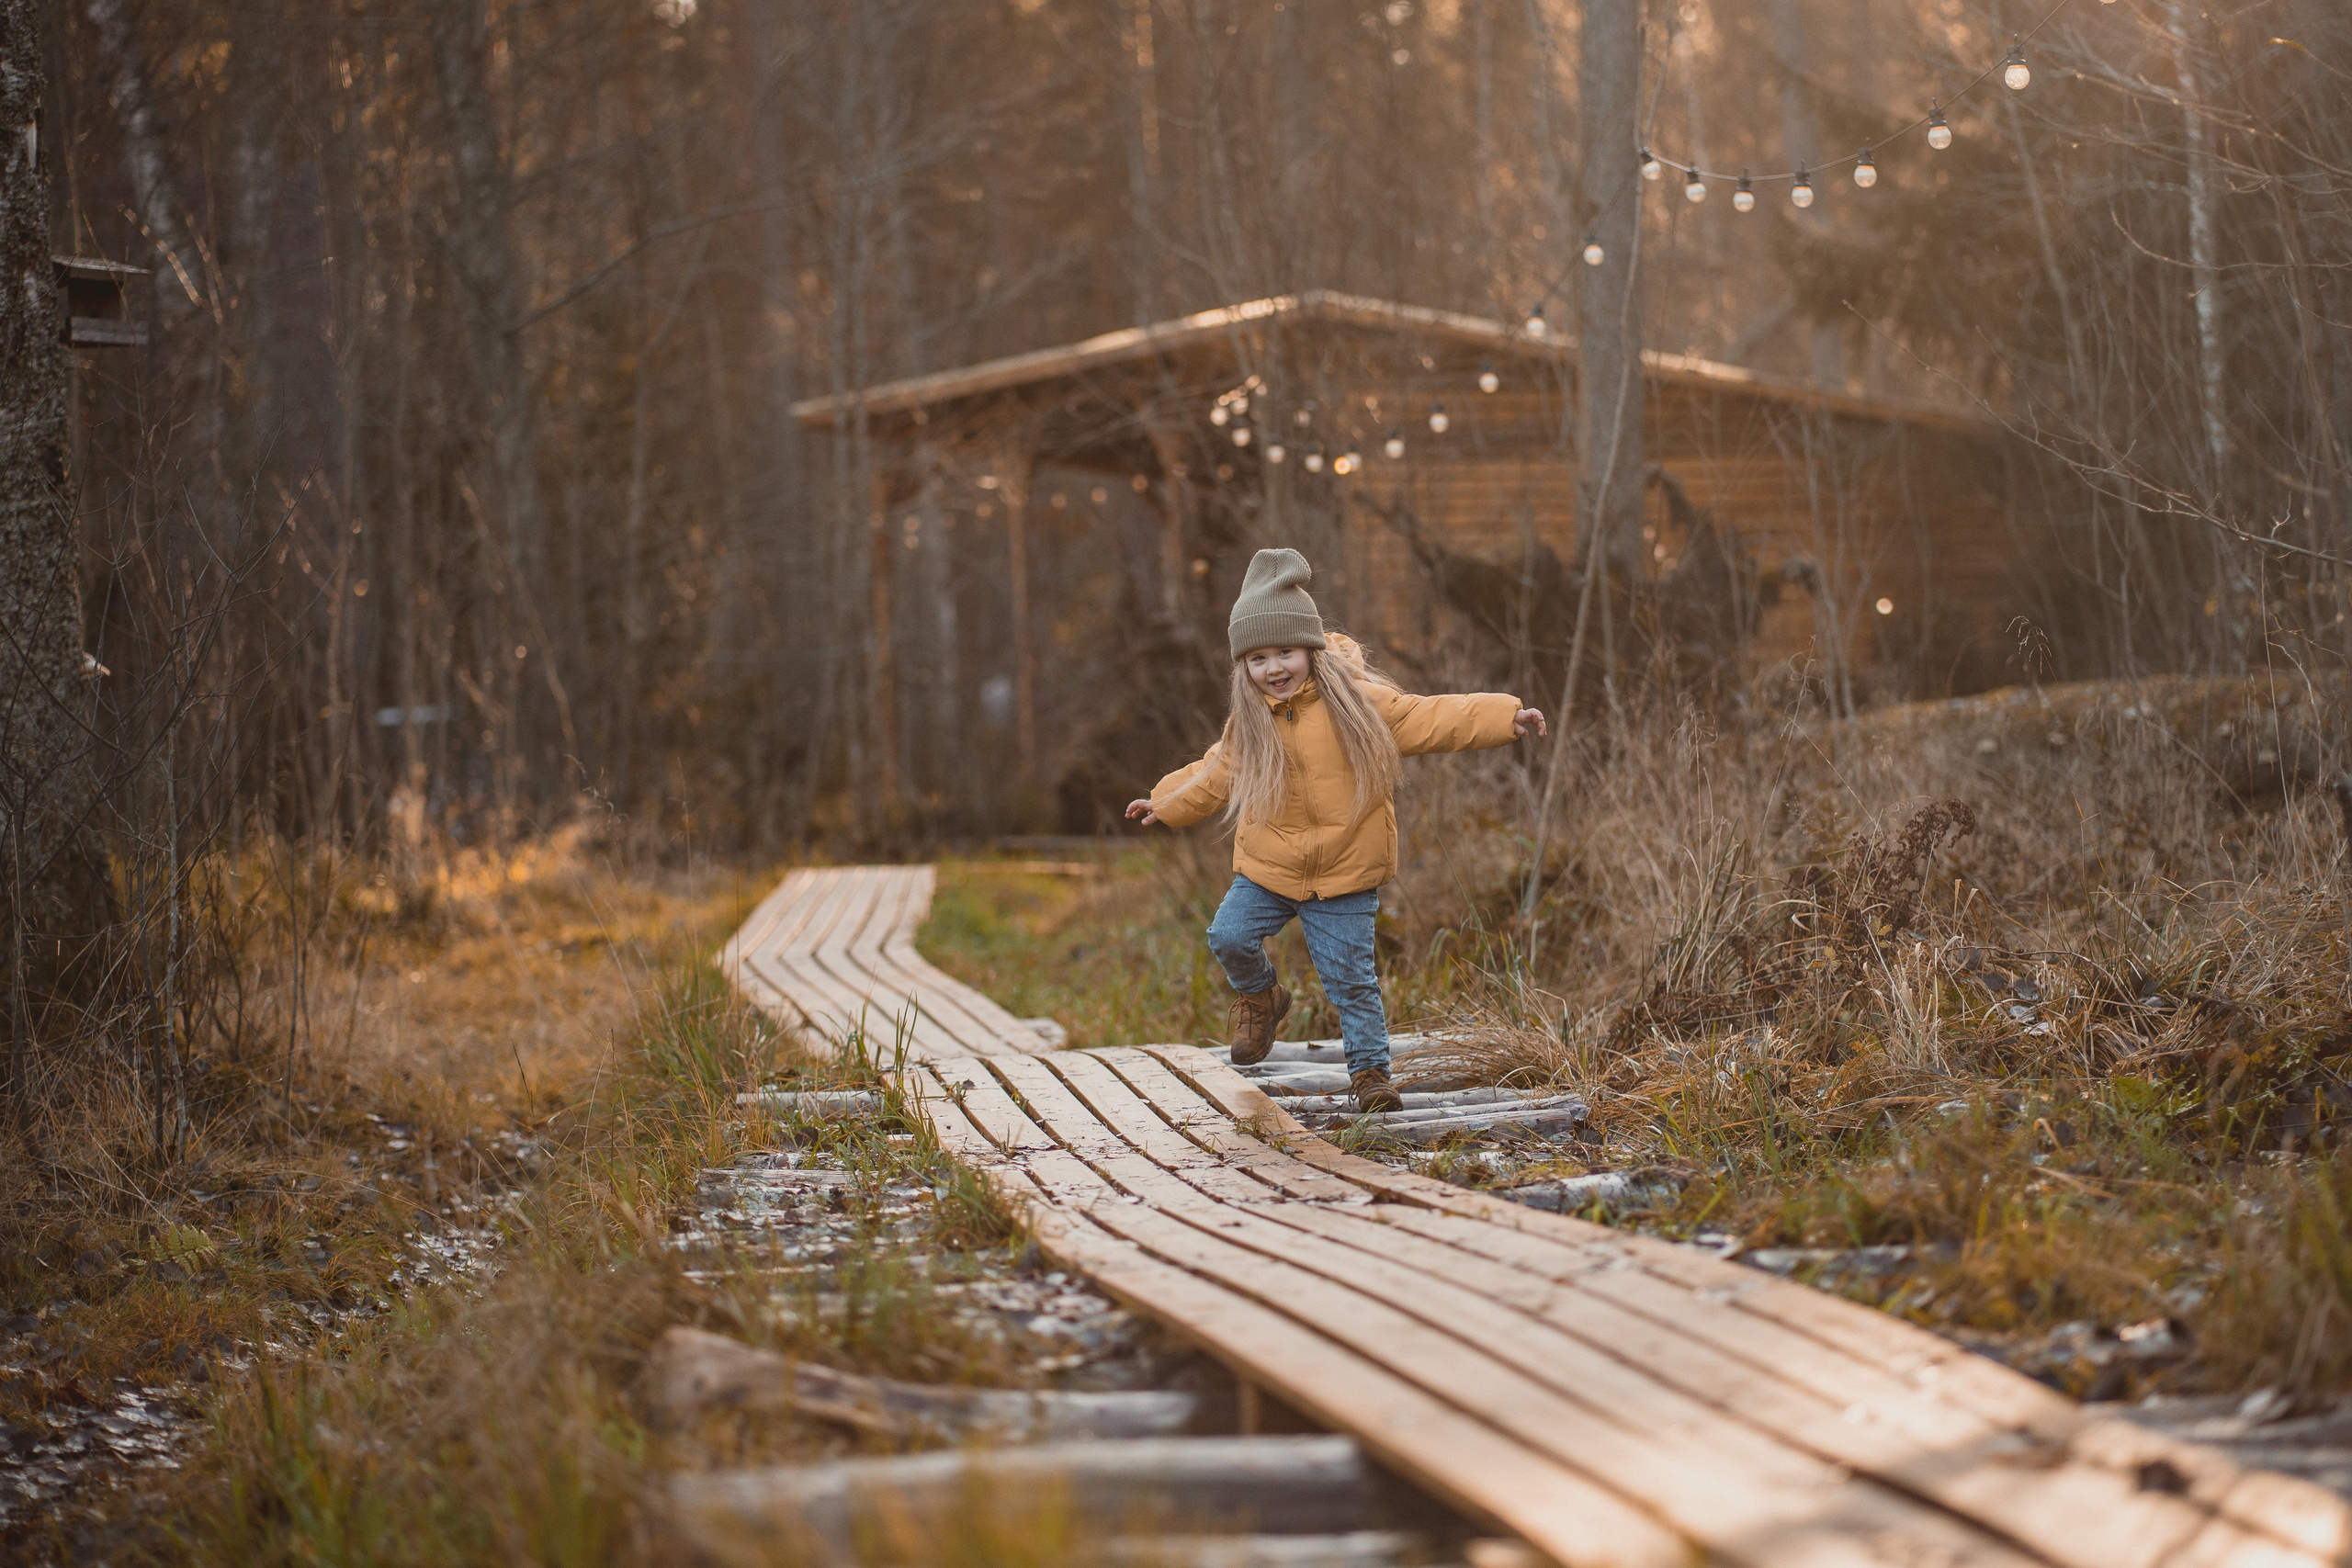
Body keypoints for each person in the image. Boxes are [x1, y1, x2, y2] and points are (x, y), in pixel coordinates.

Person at [1125, 548, 1544, 1112]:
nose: (1273, 669)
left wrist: (1503, 717)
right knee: (1228, 936)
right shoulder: (1248, 723)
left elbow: (1427, 717)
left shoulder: (1356, 703)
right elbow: (1212, 776)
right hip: (1270, 868)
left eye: (1286, 653)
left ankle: (1370, 1076)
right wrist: (1163, 803)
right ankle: (1261, 997)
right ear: (1242, 668)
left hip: (1346, 869)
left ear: (1311, 650)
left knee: (1351, 981)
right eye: (1257, 659)